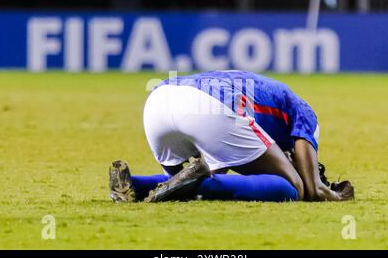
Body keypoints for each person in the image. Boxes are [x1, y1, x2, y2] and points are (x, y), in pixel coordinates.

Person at [109, 71, 354, 203]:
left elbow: (219, 167)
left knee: (185, 184)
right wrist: (337, 195)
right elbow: (313, 190)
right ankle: (177, 187)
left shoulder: (267, 98)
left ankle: (134, 184)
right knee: (293, 189)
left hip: (158, 100)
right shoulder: (305, 114)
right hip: (211, 106)